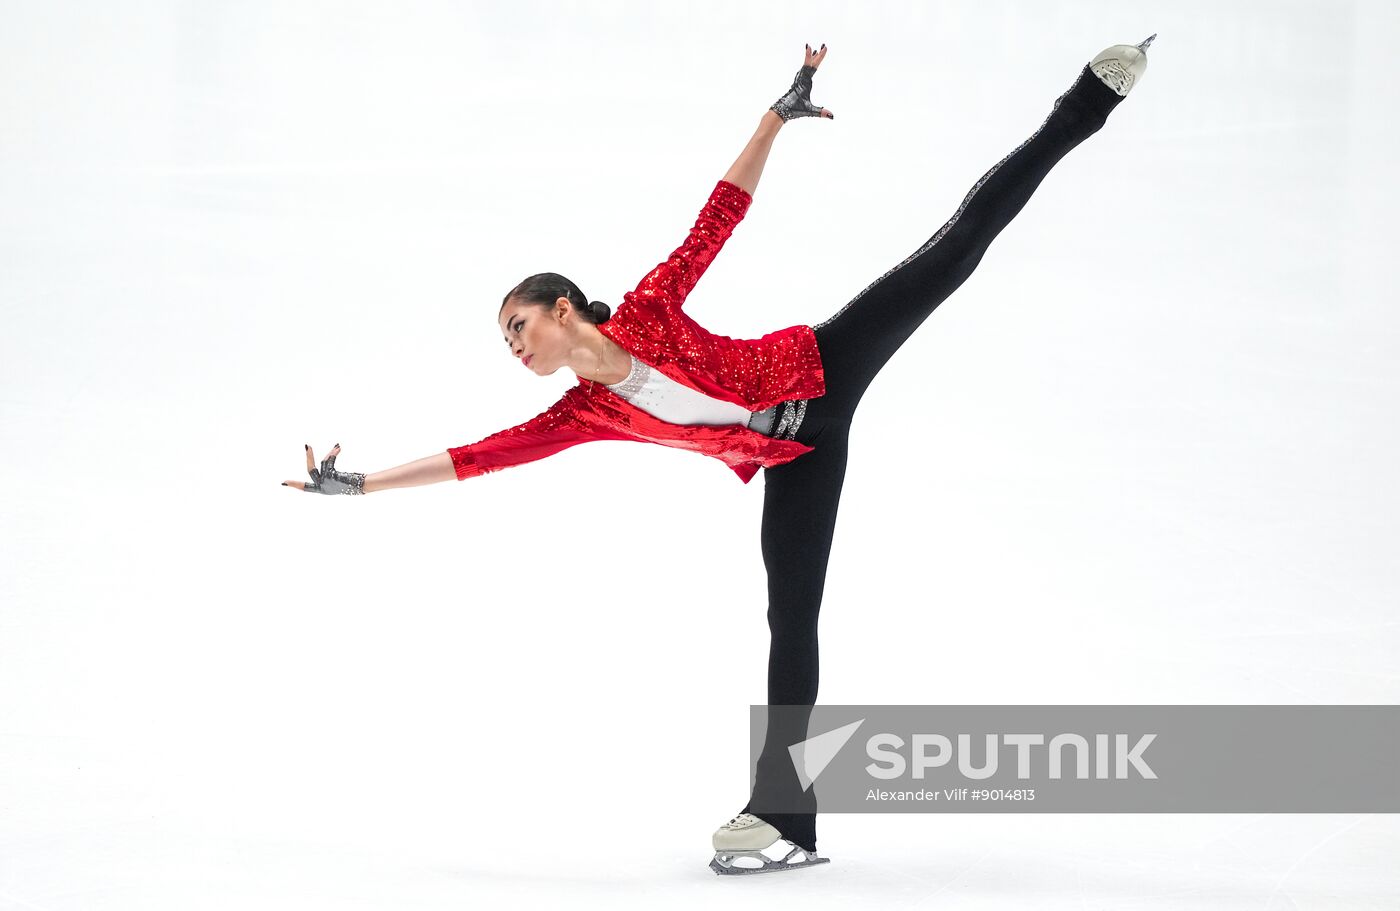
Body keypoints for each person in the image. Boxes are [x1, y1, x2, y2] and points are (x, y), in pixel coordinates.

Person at [282, 35, 1156, 875]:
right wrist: (360, 484)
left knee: (954, 247)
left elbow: (719, 216)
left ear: (559, 309)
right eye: (506, 339)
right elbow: (476, 456)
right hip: (795, 455)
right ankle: (790, 818)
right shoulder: (586, 412)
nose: (515, 346)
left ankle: (1084, 103)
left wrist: (777, 115)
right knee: (791, 623)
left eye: (518, 325)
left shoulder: (651, 309)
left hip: (822, 365)